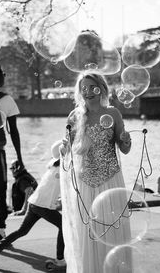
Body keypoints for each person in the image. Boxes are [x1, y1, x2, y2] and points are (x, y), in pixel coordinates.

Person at [59, 73, 132, 273]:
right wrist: (64, 148)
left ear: (102, 88)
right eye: (83, 88)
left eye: (92, 87)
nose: (88, 92)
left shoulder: (113, 113)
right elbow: (67, 150)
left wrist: (126, 140)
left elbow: (124, 148)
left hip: (110, 181)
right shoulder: (75, 116)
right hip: (85, 183)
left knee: (112, 233)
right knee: (88, 236)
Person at [0, 139, 65, 269]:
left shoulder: (53, 165)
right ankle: (59, 260)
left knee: (22, 231)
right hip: (42, 205)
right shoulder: (62, 168)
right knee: (63, 226)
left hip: (34, 203)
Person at [0, 61, 24, 243]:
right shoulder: (5, 99)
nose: (4, 75)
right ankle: (1, 232)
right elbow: (13, 132)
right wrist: (20, 158)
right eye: (2, 72)